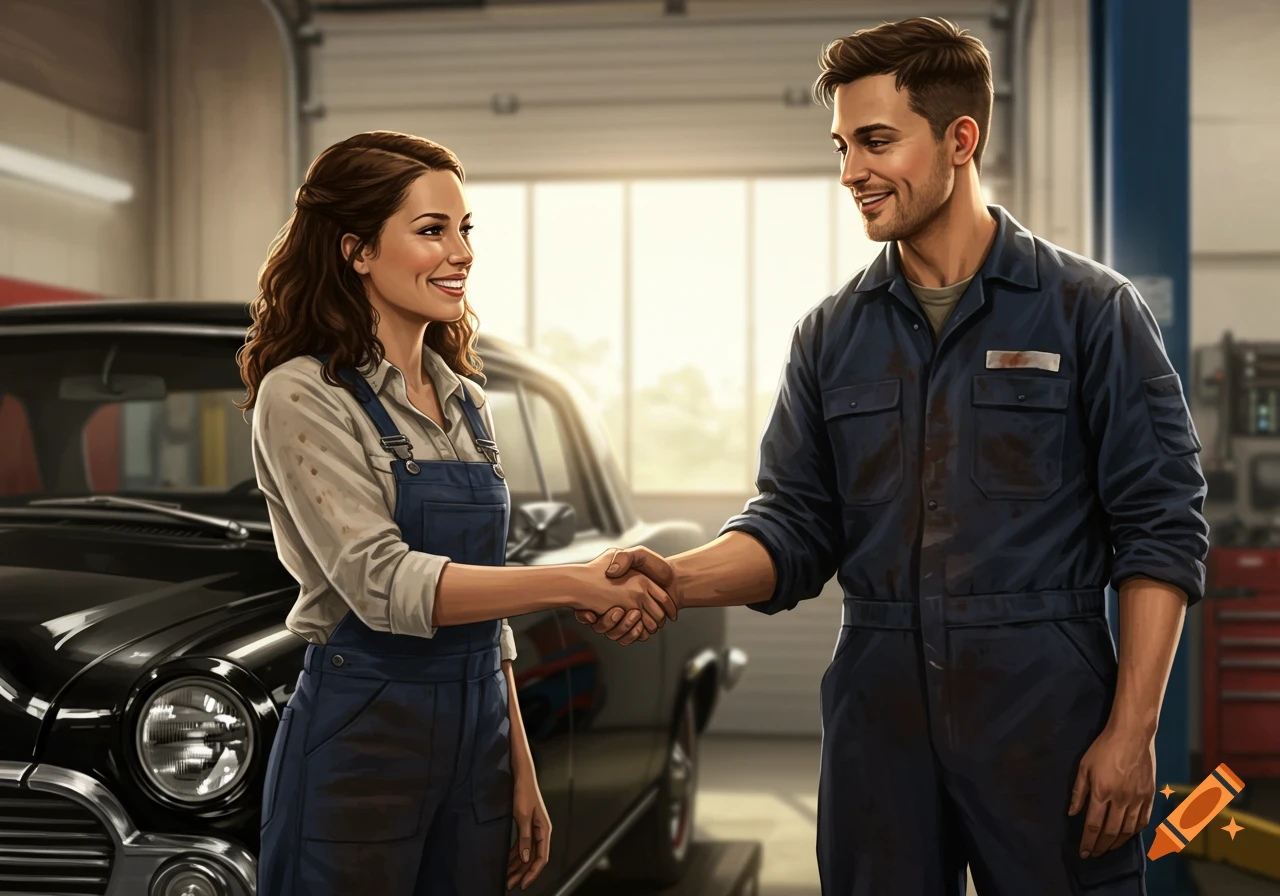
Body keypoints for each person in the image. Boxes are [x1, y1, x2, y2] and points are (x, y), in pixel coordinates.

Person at [579, 16, 1209, 896]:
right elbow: (794, 527)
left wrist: (1132, 731)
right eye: (842, 145)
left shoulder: (1089, 311)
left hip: (1045, 711)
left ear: (961, 139)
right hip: (879, 720)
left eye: (876, 141)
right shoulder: (831, 336)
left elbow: (1160, 527)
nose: (851, 173)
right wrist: (672, 579)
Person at [238, 131, 676, 896]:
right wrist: (575, 585)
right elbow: (384, 584)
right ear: (357, 251)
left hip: (480, 735)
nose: (460, 252)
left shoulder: (467, 400)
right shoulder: (303, 394)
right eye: (431, 230)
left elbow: (487, 604)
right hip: (361, 733)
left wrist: (518, 765)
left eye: (464, 229)